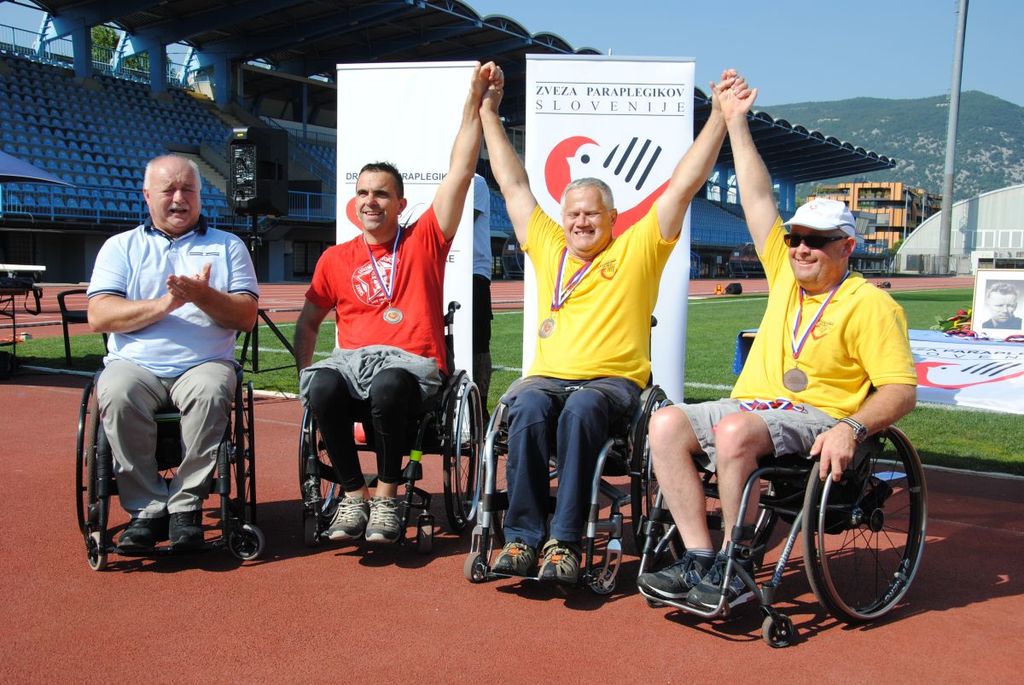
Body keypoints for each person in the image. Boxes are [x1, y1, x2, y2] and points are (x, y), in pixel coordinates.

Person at [637, 79, 918, 610]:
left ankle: (737, 561)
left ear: (847, 247)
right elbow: (758, 195)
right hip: (754, 406)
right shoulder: (785, 275)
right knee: (665, 423)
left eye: (816, 241)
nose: (801, 249)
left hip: (817, 416)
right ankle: (700, 556)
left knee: (734, 431)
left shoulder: (872, 305)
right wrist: (736, 121)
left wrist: (852, 428)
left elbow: (901, 391)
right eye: (795, 238)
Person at [479, 66, 739, 584]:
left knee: (581, 407)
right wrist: (488, 111)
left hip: (612, 385)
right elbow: (512, 183)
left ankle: (565, 542)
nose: (580, 222)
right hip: (546, 380)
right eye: (573, 214)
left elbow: (683, 185)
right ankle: (522, 539)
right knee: (525, 405)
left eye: (592, 214)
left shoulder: (638, 249)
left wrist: (719, 118)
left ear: (613, 218)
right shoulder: (549, 245)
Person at [293, 63, 491, 545]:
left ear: (401, 204)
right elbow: (309, 320)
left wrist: (475, 102)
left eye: (381, 194)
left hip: (412, 370)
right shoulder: (335, 258)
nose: (370, 201)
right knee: (322, 386)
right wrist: (304, 374)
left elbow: (460, 171)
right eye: (363, 192)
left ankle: (387, 496)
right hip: (352, 366)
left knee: (388, 385)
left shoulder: (425, 240)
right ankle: (353, 495)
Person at [87, 155, 259, 552]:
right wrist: (167, 304)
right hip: (135, 364)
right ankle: (147, 510)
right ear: (147, 195)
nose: (179, 198)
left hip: (205, 363)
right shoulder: (121, 247)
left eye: (188, 190)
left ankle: (185, 508)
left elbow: (246, 316)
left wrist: (202, 296)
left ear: (200, 195)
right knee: (116, 391)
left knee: (212, 390)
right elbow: (100, 315)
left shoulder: (228, 246)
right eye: (169, 190)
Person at [472, 172, 494, 405]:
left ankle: (481, 403)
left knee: (478, 341)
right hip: (441, 267)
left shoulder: (476, 181)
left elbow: (461, 221)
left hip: (473, 271)